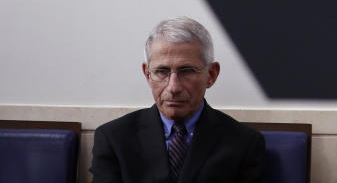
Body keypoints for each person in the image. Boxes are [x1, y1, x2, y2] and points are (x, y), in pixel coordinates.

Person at [90, 16, 266, 183]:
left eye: (187, 71)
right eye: (161, 71)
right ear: (147, 74)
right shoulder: (114, 138)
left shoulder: (244, 143)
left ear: (211, 75)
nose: (173, 87)